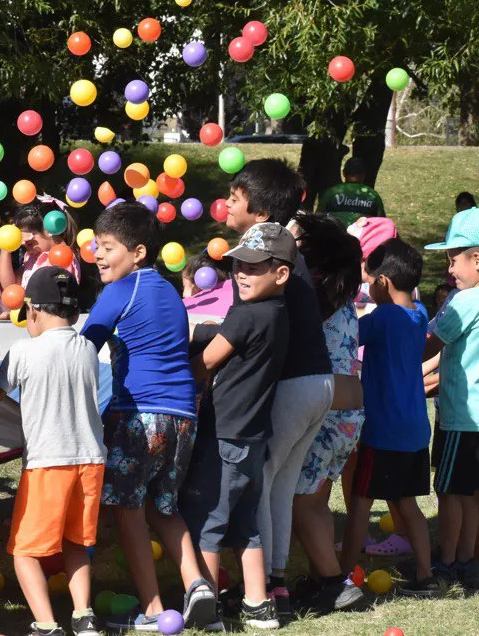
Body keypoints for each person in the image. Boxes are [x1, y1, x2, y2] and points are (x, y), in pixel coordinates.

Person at [79, 203, 209, 630]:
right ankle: (197, 585)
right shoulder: (170, 290)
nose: (98, 255)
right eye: (97, 246)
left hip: (138, 416)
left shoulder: (120, 290)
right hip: (182, 417)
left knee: (128, 509)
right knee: (164, 508)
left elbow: (82, 347)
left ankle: (153, 610)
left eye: (108, 247)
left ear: (137, 252)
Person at [224, 159, 333, 617]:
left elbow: (246, 329)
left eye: (235, 197)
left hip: (293, 385)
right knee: (281, 486)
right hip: (318, 382)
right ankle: (278, 580)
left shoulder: (261, 255)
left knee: (263, 483)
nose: (227, 204)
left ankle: (263, 584)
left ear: (261, 213)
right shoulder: (290, 252)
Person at [185, 223, 296, 630]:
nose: (241, 274)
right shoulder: (279, 313)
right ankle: (256, 603)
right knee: (245, 524)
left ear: (281, 273)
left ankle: (206, 607)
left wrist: (183, 373)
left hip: (224, 432)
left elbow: (208, 362)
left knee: (207, 520)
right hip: (253, 435)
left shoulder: (247, 314)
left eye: (253, 267)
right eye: (237, 266)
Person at [0, 267, 105, 636]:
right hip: (90, 460)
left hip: (48, 463)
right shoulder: (87, 349)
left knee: (24, 551)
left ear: (33, 310)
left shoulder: (23, 352)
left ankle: (45, 624)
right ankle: (83, 615)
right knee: (75, 542)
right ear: (74, 313)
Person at [338, 240, 439, 596]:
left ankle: (341, 578)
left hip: (382, 431)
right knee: (407, 503)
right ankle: (426, 575)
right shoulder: (420, 314)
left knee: (361, 504)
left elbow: (347, 339)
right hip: (414, 428)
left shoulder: (381, 317)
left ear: (381, 281)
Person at [285, 214, 366, 613]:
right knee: (318, 501)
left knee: (303, 502)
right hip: (348, 414)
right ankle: (322, 578)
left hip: (326, 410)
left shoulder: (315, 299)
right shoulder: (343, 299)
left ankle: (336, 584)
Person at [424, 207, 479, 588]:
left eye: (454, 259)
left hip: (459, 415)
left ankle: (445, 562)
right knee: (470, 493)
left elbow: (429, 344)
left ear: (478, 258)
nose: (450, 271)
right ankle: (466, 559)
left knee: (448, 491)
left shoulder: (464, 301)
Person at [0, 201, 80, 292]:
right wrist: (6, 248)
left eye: (30, 243)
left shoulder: (63, 259)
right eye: (24, 247)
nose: (28, 251)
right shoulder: (32, 258)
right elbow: (10, 288)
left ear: (48, 229)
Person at [317, 157, 385, 228]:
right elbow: (383, 223)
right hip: (362, 237)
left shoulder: (331, 192)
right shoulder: (372, 195)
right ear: (364, 174)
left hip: (335, 235)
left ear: (343, 173)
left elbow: (317, 218)